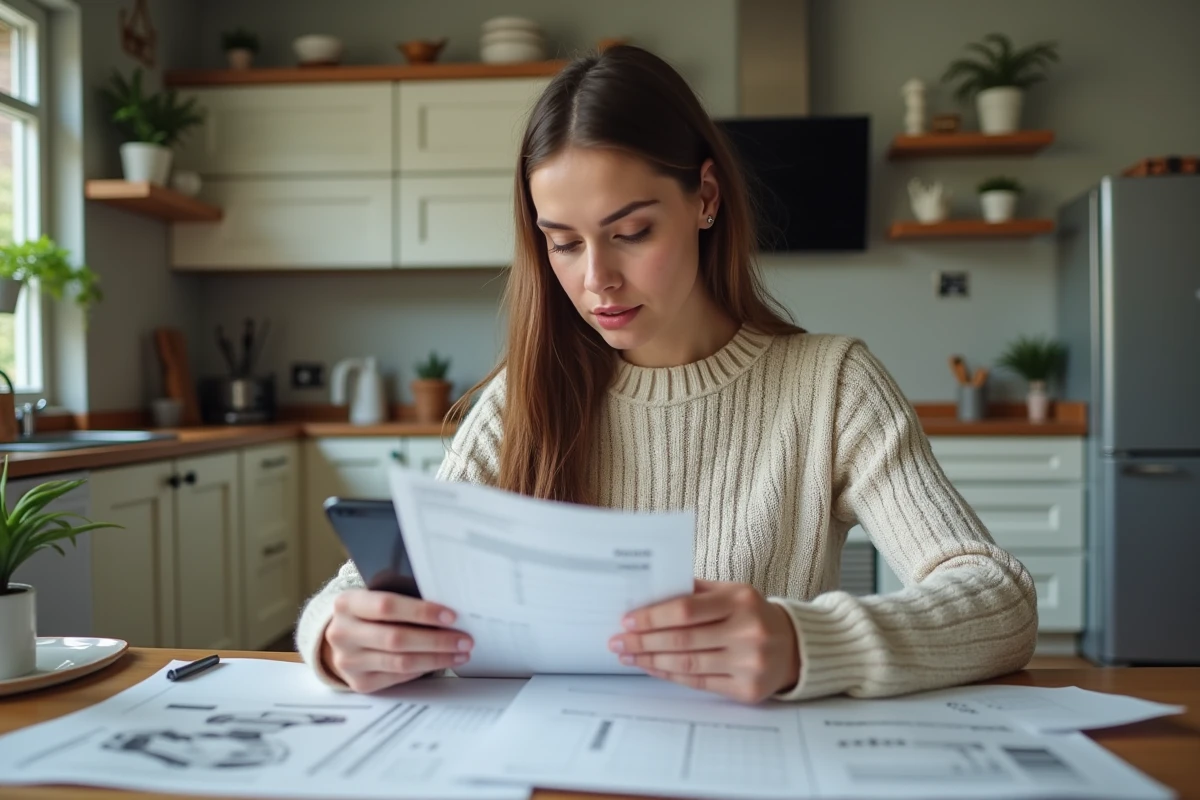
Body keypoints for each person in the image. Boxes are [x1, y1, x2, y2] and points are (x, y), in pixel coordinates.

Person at [295, 45, 1037, 704]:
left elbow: (998, 600)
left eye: (631, 233)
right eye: (563, 244)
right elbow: (358, 594)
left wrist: (804, 641)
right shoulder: (521, 398)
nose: (597, 281)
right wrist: (336, 637)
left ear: (706, 198)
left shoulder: (832, 386)